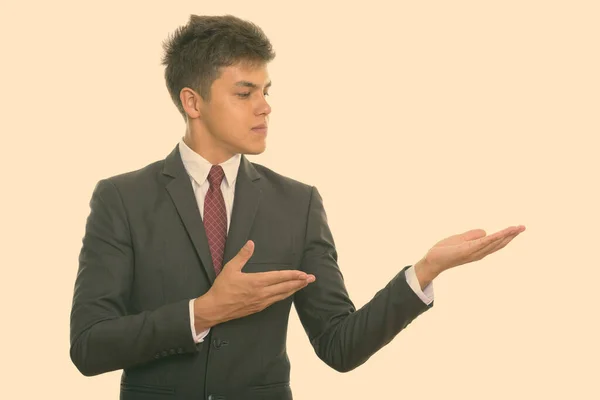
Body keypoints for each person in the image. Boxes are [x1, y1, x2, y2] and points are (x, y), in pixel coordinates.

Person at [69, 14, 526, 400]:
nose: (265, 107)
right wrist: (203, 312)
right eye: (245, 93)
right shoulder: (121, 199)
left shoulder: (297, 203)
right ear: (193, 101)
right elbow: (89, 346)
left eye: (267, 91)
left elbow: (339, 345)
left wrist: (424, 271)